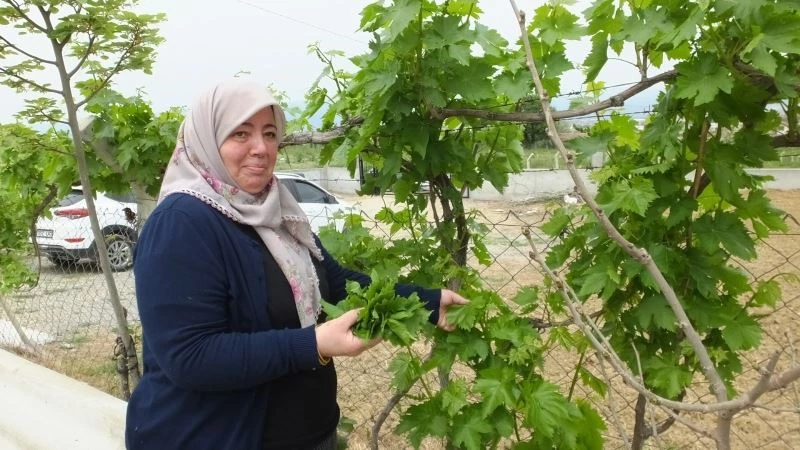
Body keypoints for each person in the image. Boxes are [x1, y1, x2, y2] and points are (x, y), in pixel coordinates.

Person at [125, 79, 469, 450]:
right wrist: (314, 344)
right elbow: (191, 357)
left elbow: (334, 284)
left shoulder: (276, 211)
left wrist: (426, 302)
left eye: (270, 134)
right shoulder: (181, 222)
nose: (261, 148)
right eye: (241, 133)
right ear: (208, 140)